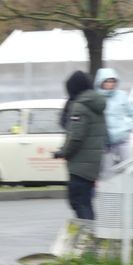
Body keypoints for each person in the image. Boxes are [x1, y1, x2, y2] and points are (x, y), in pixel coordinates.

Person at [52, 70, 107, 221]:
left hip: (80, 164)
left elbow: (76, 137)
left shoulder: (79, 107)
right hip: (91, 162)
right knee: (85, 201)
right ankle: (91, 234)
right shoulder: (95, 104)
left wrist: (63, 152)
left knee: (78, 201)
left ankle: (90, 237)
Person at [95, 67, 133, 164]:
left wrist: (128, 127)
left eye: (112, 81)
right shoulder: (96, 97)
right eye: (107, 81)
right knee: (107, 171)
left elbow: (132, 113)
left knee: (128, 166)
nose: (110, 84)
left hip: (122, 138)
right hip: (105, 140)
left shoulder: (122, 95)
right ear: (100, 82)